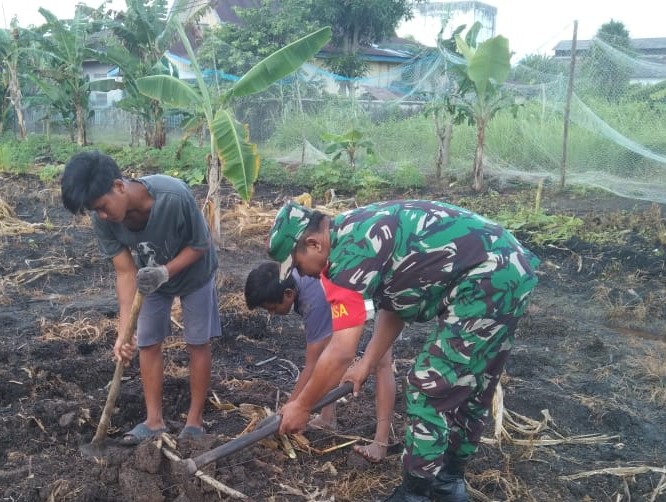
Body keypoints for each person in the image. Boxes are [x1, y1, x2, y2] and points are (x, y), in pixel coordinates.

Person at [267, 200, 539, 502]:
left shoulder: (349, 257)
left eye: (297, 263)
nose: (303, 275)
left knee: (426, 387)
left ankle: (416, 494)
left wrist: (302, 405)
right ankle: (448, 484)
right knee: (473, 386)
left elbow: (341, 351)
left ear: (314, 243)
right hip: (510, 268)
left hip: (487, 278)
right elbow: (395, 304)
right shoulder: (353, 231)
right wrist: (367, 362)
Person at [61, 151, 220, 444]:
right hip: (149, 280)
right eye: (96, 211)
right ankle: (154, 421)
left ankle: (195, 422)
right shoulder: (104, 220)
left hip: (194, 272)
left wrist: (165, 271)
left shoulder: (173, 196)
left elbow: (200, 245)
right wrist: (124, 332)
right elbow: (124, 272)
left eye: (103, 207)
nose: (103, 216)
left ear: (119, 187)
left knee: (197, 342)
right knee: (147, 342)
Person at [244, 260, 396, 462]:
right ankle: (327, 417)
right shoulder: (293, 275)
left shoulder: (312, 299)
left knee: (381, 360)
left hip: (384, 286)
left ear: (288, 294)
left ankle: (381, 443)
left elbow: (314, 363)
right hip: (354, 283)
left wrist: (291, 408)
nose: (271, 313)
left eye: (271, 307)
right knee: (332, 352)